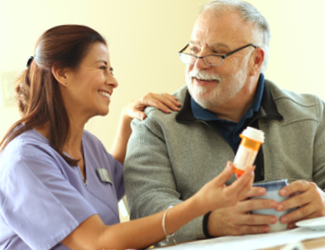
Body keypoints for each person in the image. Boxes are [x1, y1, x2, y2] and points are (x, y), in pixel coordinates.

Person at [0, 24, 255, 250]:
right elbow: (97, 242)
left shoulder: (88, 144)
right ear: (63, 73)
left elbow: (112, 179)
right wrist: (198, 206)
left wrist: (126, 120)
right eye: (102, 68)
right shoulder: (25, 161)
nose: (114, 81)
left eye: (112, 70)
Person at [124, 0, 325, 244]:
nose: (197, 64)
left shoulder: (312, 113)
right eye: (194, 49)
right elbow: (144, 208)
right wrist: (207, 222)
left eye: (217, 53)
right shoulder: (153, 123)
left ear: (256, 61)